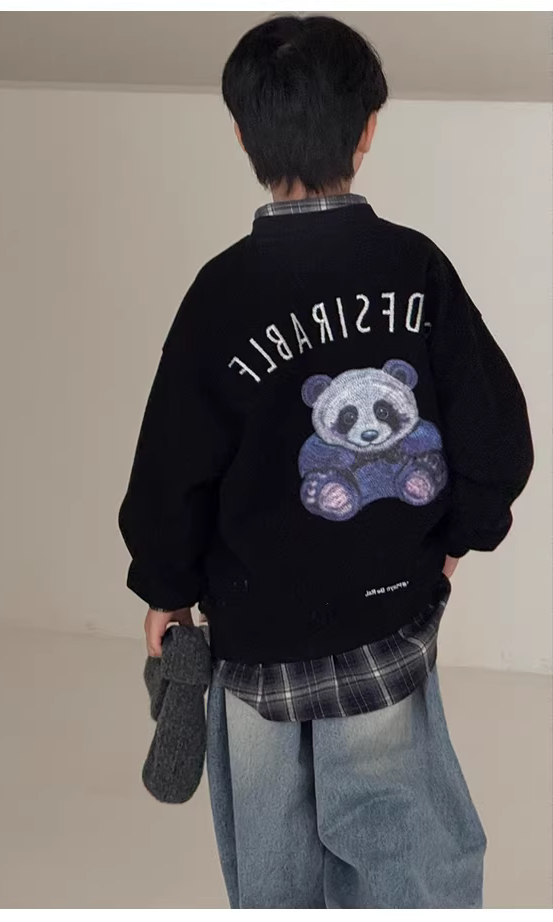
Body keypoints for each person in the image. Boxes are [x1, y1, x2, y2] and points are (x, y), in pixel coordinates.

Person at [118, 14, 533, 910]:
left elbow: (172, 467)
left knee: (273, 868)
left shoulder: (220, 293)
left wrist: (165, 589)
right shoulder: (415, 268)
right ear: (369, 128)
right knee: (405, 847)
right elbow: (497, 432)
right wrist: (458, 538)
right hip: (386, 621)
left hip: (253, 642)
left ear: (241, 134)